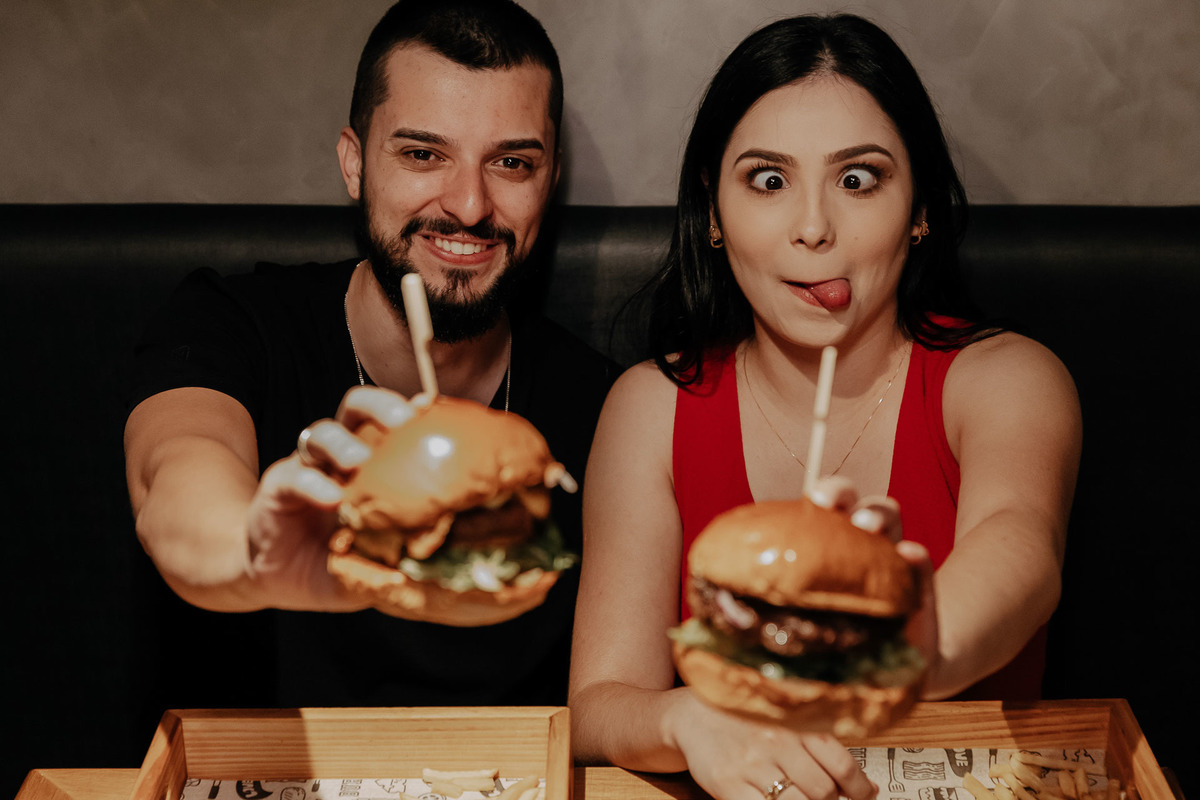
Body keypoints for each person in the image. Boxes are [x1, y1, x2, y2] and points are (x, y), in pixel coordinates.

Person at [569, 13, 1081, 800]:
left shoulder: (1006, 379)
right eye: (769, 181)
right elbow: (600, 705)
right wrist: (682, 720)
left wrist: (915, 644)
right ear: (713, 211)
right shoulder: (650, 409)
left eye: (858, 179)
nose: (813, 229)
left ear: (920, 208)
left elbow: (1023, 551)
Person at [124, 0, 616, 708]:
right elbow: (171, 483)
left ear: (551, 178)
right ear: (355, 164)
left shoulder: (602, 403)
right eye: (423, 154)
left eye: (511, 163)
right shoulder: (233, 325)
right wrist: (251, 552)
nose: (469, 205)